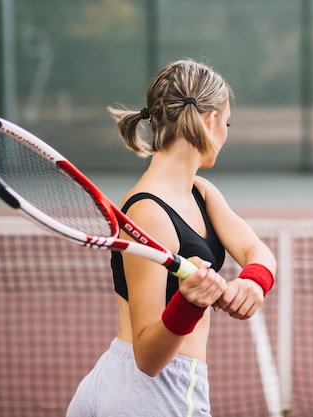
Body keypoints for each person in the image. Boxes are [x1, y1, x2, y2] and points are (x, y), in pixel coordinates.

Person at [66, 59, 276, 417]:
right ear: (210, 122)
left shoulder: (202, 192)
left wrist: (253, 283)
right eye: (226, 123)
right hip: (152, 395)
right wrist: (189, 303)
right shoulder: (148, 213)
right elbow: (148, 358)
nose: (224, 134)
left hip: (139, 388)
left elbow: (256, 250)